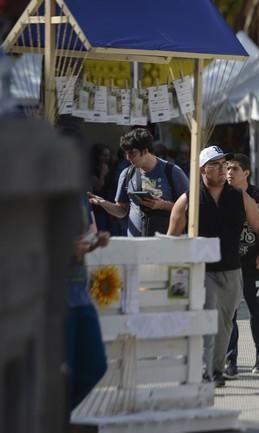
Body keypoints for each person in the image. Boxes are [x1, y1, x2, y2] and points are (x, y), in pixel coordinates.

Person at [167, 145, 259, 387]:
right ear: (203, 169)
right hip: (201, 271)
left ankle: (216, 370)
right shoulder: (188, 199)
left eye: (224, 163)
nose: (223, 168)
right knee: (206, 321)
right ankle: (204, 370)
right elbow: (171, 238)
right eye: (216, 164)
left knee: (225, 323)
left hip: (232, 270)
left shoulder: (239, 196)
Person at [224, 154, 259, 378]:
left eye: (234, 169)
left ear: (245, 172)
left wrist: (254, 214)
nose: (229, 172)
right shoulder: (223, 196)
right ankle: (230, 360)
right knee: (229, 314)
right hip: (230, 265)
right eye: (226, 168)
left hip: (256, 264)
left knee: (258, 312)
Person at [89, 128, 188, 237]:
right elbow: (122, 210)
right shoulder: (127, 174)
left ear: (145, 151)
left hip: (165, 244)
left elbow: (190, 207)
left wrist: (162, 205)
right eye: (126, 153)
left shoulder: (172, 172)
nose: (128, 158)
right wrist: (103, 203)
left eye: (132, 153)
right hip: (135, 246)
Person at [66, 198, 110, 413]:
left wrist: (95, 242)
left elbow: (84, 238)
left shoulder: (80, 196)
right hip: (56, 301)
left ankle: (59, 414)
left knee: (96, 366)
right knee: (63, 373)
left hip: (81, 297)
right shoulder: (39, 194)